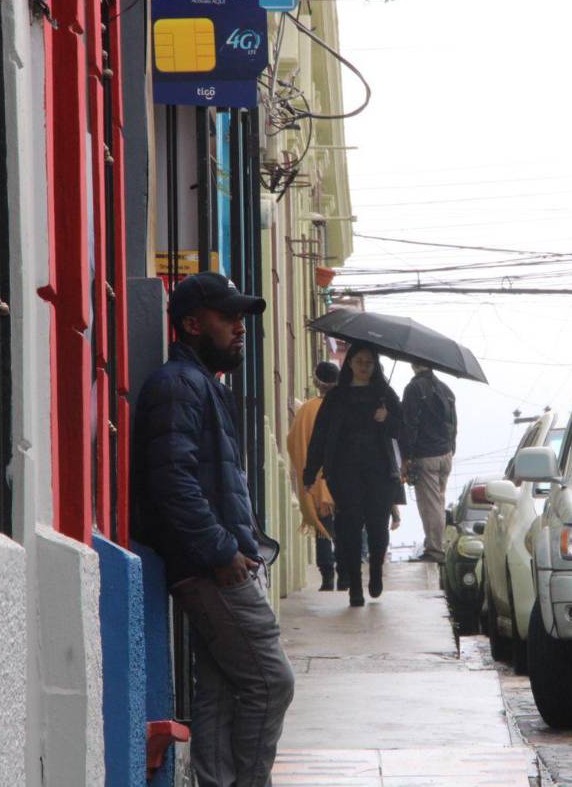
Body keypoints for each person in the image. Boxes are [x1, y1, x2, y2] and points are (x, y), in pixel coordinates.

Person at [131, 272, 295, 787]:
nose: (240, 327)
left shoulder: (198, 385)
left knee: (223, 692)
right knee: (272, 682)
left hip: (220, 563)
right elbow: (172, 481)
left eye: (241, 318)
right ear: (192, 323)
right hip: (212, 569)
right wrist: (223, 552)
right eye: (229, 317)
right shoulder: (179, 385)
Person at [302, 343, 404, 607]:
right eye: (359, 361)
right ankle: (355, 586)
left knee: (377, 526)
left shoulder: (385, 394)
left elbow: (403, 430)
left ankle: (376, 573)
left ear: (375, 365)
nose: (363, 366)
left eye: (369, 362)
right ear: (349, 363)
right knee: (348, 527)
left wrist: (387, 419)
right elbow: (320, 435)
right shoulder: (337, 397)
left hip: (379, 471)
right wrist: (310, 471)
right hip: (344, 471)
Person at [286, 360, 345, 592]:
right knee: (344, 528)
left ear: (316, 382)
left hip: (317, 480)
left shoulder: (307, 410)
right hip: (344, 480)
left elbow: (292, 442)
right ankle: (345, 574)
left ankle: (327, 575)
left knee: (323, 528)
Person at [401, 363, 457, 563]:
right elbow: (454, 424)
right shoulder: (446, 389)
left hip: (425, 455)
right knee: (438, 503)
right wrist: (451, 449)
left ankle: (435, 550)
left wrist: (406, 456)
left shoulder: (414, 389)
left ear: (413, 365)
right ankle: (436, 544)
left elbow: (409, 424)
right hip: (445, 454)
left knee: (430, 505)